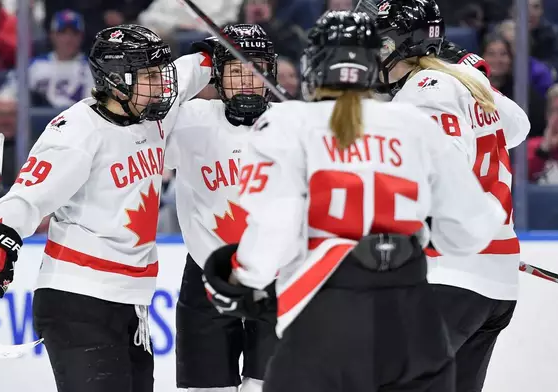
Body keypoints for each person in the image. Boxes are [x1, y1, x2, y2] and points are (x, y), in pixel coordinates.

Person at [201, 10, 506, 392]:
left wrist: (240, 279)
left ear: (315, 64)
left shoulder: (285, 124)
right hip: (414, 321)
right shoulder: (414, 125)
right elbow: (470, 232)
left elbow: (275, 226)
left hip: (324, 319)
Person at [0, 24, 212, 392]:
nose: (162, 84)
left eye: (160, 74)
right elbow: (30, 193)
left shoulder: (151, 109)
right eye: (149, 76)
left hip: (129, 302)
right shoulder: (78, 129)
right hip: (78, 300)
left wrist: (216, 51)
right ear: (117, 80)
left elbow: (186, 73)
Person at [374, 1, 530, 391]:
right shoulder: (461, 82)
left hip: (450, 275)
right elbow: (517, 127)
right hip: (495, 281)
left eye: (381, 43)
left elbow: (442, 176)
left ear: (405, 45)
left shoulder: (423, 91)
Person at [166, 24, 278, 392]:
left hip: (278, 279)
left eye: (255, 67)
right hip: (206, 276)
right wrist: (200, 60)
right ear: (217, 75)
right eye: (235, 68)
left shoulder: (294, 126)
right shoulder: (190, 120)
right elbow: (153, 96)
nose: (247, 79)